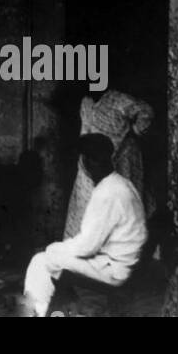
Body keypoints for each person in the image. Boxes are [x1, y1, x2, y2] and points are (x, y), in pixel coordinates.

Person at [22, 134, 146, 317]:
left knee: (41, 261)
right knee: (52, 259)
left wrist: (54, 248)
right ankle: (69, 311)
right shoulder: (123, 183)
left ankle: (36, 314)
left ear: (87, 162)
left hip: (114, 269)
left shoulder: (106, 193)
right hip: (125, 260)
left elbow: (87, 246)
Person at [63, 86, 153, 238]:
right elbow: (84, 132)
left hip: (122, 161)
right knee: (87, 208)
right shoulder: (86, 102)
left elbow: (146, 113)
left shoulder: (118, 99)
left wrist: (134, 131)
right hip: (92, 162)